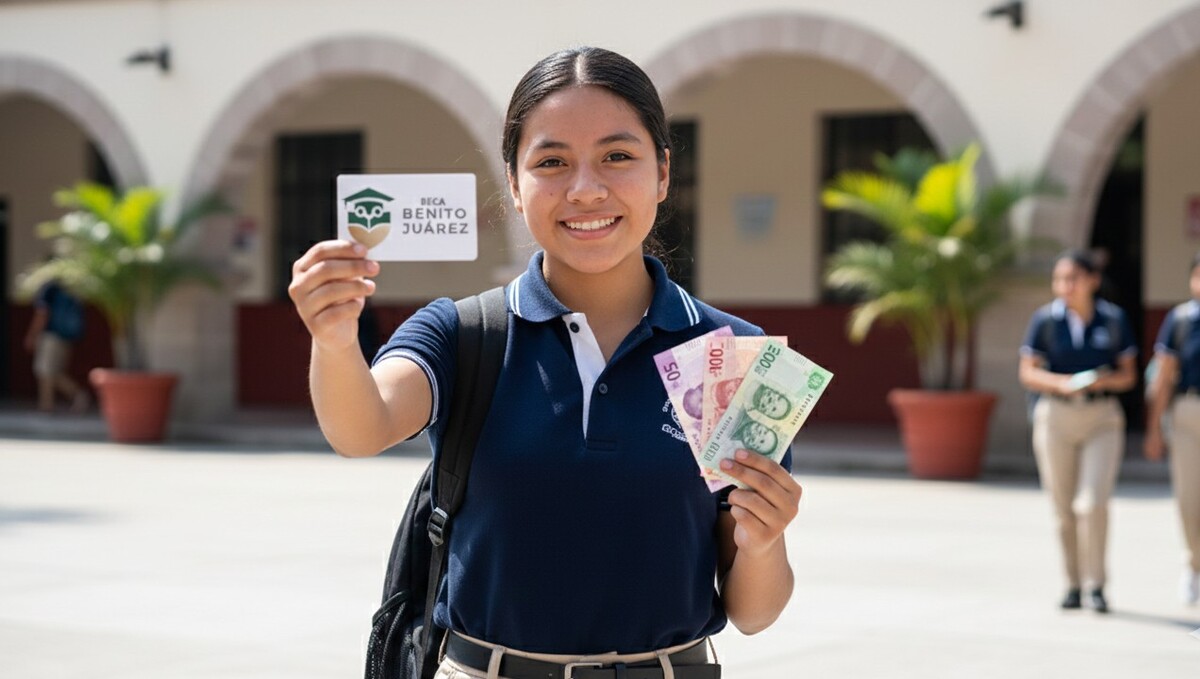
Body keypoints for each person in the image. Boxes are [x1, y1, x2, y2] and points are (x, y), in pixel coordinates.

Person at [289, 47, 802, 678]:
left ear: (664, 173)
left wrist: (764, 542)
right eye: (552, 162)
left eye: (618, 156)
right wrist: (335, 339)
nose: (586, 190)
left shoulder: (736, 357)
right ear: (514, 183)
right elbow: (361, 427)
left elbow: (755, 611)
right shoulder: (463, 333)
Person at [1018, 249, 1138, 614]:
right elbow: (1027, 371)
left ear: (1092, 281)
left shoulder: (1113, 320)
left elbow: (1129, 375)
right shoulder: (1045, 320)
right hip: (1056, 416)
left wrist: (1100, 380)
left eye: (1072, 279)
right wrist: (1061, 383)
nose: (1064, 287)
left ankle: (1097, 584)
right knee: (1063, 507)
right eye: (1059, 279)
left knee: (1094, 504)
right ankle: (1072, 583)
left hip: (1101, 417)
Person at [1144, 251, 1200, 605]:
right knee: (1189, 499)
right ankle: (1194, 564)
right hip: (1187, 411)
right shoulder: (1180, 320)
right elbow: (1163, 377)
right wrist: (1153, 430)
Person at [23, 275, 89, 413]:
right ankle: (48, 404)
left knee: (45, 370)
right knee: (53, 371)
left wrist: (32, 334)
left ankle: (73, 396)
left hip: (51, 335)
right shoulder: (68, 288)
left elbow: (42, 313)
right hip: (66, 335)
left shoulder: (49, 288)